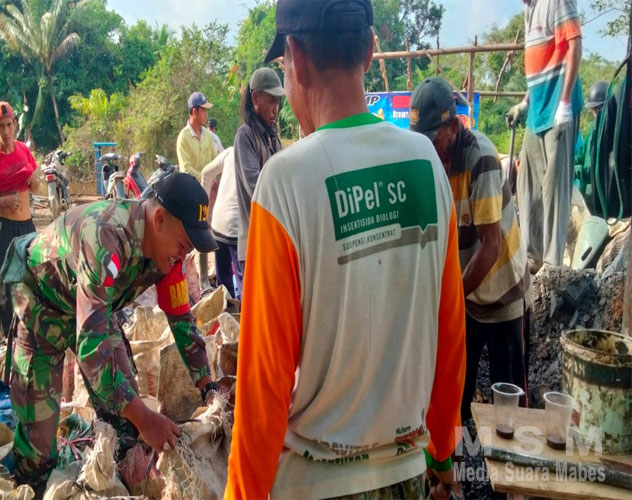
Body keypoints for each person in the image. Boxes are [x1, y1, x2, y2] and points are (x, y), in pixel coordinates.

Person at [225, 1, 466, 499]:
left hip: (314, 484)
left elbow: (263, 385)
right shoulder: (426, 163)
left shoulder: (284, 183)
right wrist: (442, 452)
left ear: (295, 58)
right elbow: (449, 333)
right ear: (371, 49)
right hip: (407, 476)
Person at [2, 173, 218, 492]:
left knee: (126, 422)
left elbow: (182, 321)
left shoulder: (168, 255)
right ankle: (31, 488)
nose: (183, 256)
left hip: (95, 309)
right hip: (42, 308)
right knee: (39, 444)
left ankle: (115, 483)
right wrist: (146, 419)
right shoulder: (106, 238)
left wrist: (208, 387)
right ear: (159, 219)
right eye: (183, 245)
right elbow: (92, 348)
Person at [410, 77, 532, 422]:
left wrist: (448, 299)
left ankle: (508, 451)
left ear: (453, 126)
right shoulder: (432, 163)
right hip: (467, 294)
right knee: (456, 392)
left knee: (509, 401)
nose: (427, 147)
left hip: (502, 294)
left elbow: (491, 246)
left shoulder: (482, 158)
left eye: (432, 138)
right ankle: (460, 450)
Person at [506, 0, 583, 268]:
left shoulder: (555, 1)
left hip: (557, 107)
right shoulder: (529, 8)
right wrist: (525, 103)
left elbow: (574, 45)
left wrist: (565, 103)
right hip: (537, 110)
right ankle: (531, 257)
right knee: (527, 186)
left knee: (554, 189)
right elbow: (539, 64)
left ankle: (551, 265)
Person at [0, 101, 39, 338]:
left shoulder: (23, 150)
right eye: (0, 126)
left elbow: (36, 187)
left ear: (15, 125)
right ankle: (9, 336)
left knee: (32, 277)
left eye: (9, 125)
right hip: (7, 228)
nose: (5, 131)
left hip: (28, 226)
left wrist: (35, 182)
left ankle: (31, 330)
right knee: (6, 283)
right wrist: (3, 201)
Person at [234, 67, 283, 277]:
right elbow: (257, 188)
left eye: (278, 103)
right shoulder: (245, 136)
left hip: (273, 242)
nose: (276, 109)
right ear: (255, 98)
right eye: (272, 101)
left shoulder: (273, 139)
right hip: (254, 247)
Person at [176, 92, 217, 292]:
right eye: (203, 110)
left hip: (206, 194)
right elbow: (185, 169)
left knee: (204, 233)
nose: (206, 115)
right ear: (194, 112)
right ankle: (184, 279)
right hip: (191, 193)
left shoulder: (208, 136)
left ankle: (203, 281)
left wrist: (214, 179)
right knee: (187, 236)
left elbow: (214, 161)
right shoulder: (183, 138)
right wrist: (206, 177)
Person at [201, 147, 242, 298]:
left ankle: (227, 310)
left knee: (224, 288)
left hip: (218, 223)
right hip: (238, 227)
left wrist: (204, 212)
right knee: (245, 285)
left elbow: (206, 173)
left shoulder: (230, 152)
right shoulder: (259, 154)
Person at [574, 80, 609, 210]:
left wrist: (576, 170)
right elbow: (582, 154)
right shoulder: (592, 128)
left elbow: (597, 170)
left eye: (596, 110)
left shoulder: (610, 132)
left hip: (600, 197)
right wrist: (568, 163)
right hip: (586, 194)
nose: (594, 114)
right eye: (593, 110)